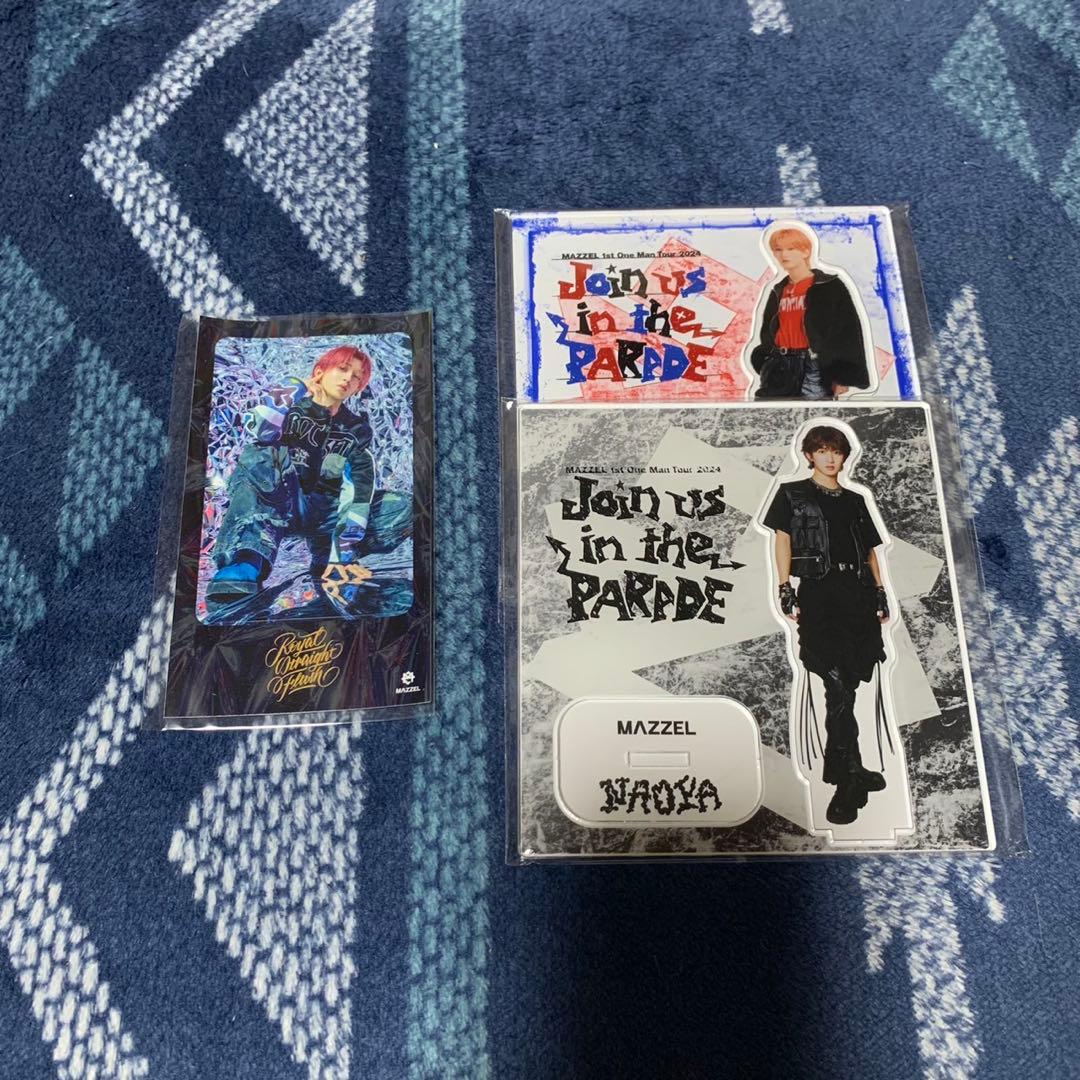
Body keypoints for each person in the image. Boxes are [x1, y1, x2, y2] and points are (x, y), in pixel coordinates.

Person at [761, 425, 891, 825]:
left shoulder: (855, 500)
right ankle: (845, 779)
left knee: (847, 685)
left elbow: (869, 551)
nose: (830, 458)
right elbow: (782, 540)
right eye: (822, 451)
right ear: (809, 455)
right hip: (820, 594)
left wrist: (880, 591)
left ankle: (848, 767)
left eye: (836, 451)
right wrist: (784, 587)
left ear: (844, 456)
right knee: (835, 684)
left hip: (857, 595)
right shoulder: (793, 494)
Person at [207, 344, 392, 608]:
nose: (348, 379)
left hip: (323, 513)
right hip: (277, 503)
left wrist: (341, 552)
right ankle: (247, 558)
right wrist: (295, 387)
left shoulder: (356, 429)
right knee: (262, 455)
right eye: (342, 369)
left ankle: (327, 558)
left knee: (399, 506)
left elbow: (357, 487)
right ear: (319, 372)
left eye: (356, 377)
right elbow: (261, 429)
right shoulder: (290, 407)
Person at [748, 224, 871, 399]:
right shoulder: (778, 290)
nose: (784, 255)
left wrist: (842, 377)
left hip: (814, 367)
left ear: (806, 251)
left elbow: (847, 332)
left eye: (791, 248)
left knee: (813, 412)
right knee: (769, 413)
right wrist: (765, 360)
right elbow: (768, 331)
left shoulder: (829, 287)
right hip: (778, 365)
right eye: (778, 249)